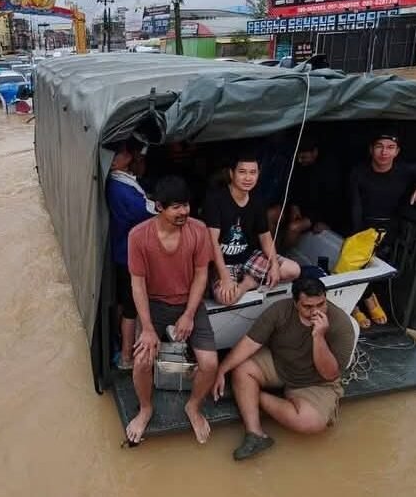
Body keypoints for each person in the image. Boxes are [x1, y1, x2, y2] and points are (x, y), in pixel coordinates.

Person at [212, 277, 353, 461]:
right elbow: (250, 343)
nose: (315, 312)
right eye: (307, 307)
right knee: (241, 368)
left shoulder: (341, 325)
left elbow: (329, 374)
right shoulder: (280, 310)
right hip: (280, 364)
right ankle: (255, 434)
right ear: (295, 303)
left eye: (321, 304)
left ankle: (254, 397)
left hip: (315, 382)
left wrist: (319, 337)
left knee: (310, 423)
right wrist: (222, 369)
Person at [126, 175, 217, 445]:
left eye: (186, 205)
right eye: (176, 207)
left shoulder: (198, 230)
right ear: (159, 207)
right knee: (142, 360)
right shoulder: (138, 237)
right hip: (153, 304)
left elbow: (202, 274)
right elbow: (138, 284)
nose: (184, 212)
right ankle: (145, 408)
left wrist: (189, 314)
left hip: (189, 302)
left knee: (210, 363)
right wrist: (148, 329)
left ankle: (194, 406)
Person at [347, 134, 416, 327]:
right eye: (379, 147)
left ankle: (368, 298)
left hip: (390, 226)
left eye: (390, 147)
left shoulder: (405, 170)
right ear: (371, 149)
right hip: (364, 226)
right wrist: (357, 234)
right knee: (355, 259)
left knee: (383, 262)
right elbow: (355, 206)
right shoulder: (359, 173)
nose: (384, 152)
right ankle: (359, 304)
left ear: (397, 151)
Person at [205, 153, 300, 306]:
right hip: (222, 263)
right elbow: (212, 242)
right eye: (242, 172)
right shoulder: (216, 199)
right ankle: (249, 282)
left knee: (293, 270)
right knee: (226, 298)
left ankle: (248, 283)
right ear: (231, 173)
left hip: (248, 258)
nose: (248, 178)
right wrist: (225, 277)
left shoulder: (257, 200)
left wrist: (274, 265)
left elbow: (265, 236)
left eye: (253, 172)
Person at [106, 140, 155, 370]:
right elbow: (144, 213)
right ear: (114, 161)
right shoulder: (119, 188)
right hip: (128, 255)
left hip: (121, 251)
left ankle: (123, 345)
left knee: (124, 302)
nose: (129, 153)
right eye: (123, 152)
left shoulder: (121, 181)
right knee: (130, 306)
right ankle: (127, 356)